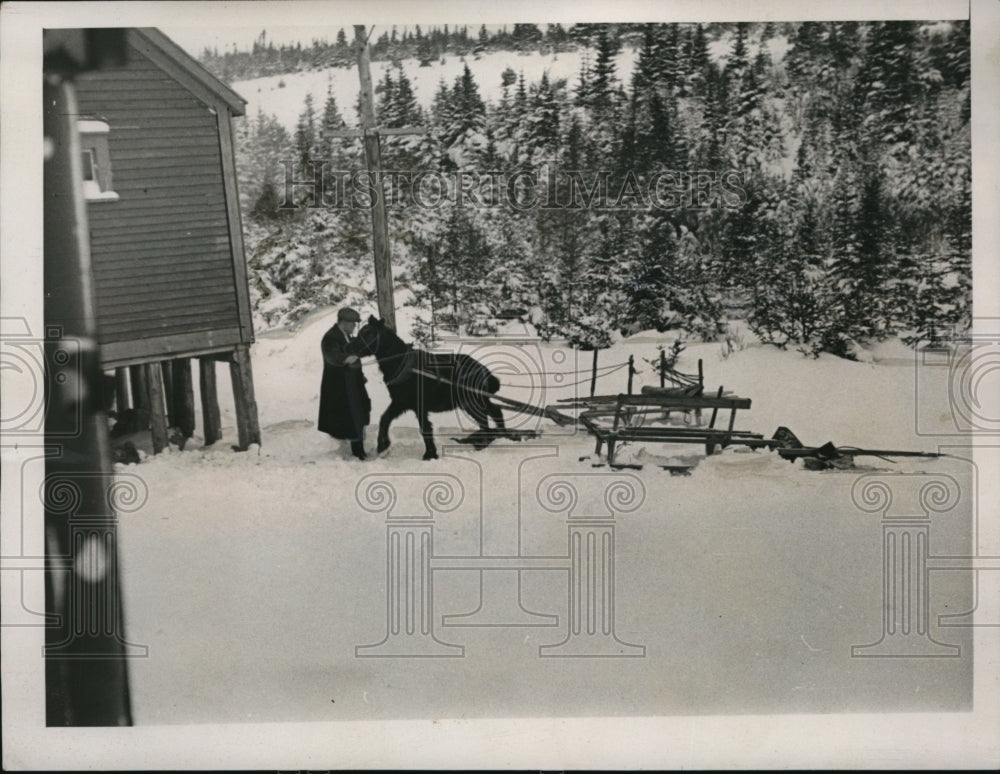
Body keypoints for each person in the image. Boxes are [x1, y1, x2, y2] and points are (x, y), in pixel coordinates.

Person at [317, 307, 371, 459]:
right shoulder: (330, 337)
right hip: (340, 385)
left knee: (359, 413)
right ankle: (357, 451)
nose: (354, 326)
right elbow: (332, 356)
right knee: (352, 416)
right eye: (353, 323)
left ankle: (357, 446)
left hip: (353, 383)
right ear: (344, 322)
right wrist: (345, 359)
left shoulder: (347, 336)